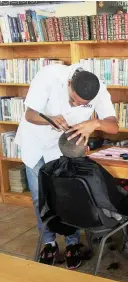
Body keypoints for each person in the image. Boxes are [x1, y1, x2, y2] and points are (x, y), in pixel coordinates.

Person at [15, 63, 119, 269]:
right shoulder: (49, 76)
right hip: (35, 144)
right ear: (70, 83)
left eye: (81, 104)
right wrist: (50, 120)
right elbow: (29, 114)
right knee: (39, 199)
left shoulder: (98, 89)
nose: (74, 105)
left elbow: (114, 126)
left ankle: (73, 244)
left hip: (65, 149)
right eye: (73, 99)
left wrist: (95, 124)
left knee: (68, 198)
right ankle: (49, 243)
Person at [38, 132, 128, 260]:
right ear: (87, 149)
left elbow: (44, 201)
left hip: (63, 217)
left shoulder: (48, 168)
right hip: (96, 220)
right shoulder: (93, 171)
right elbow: (111, 200)